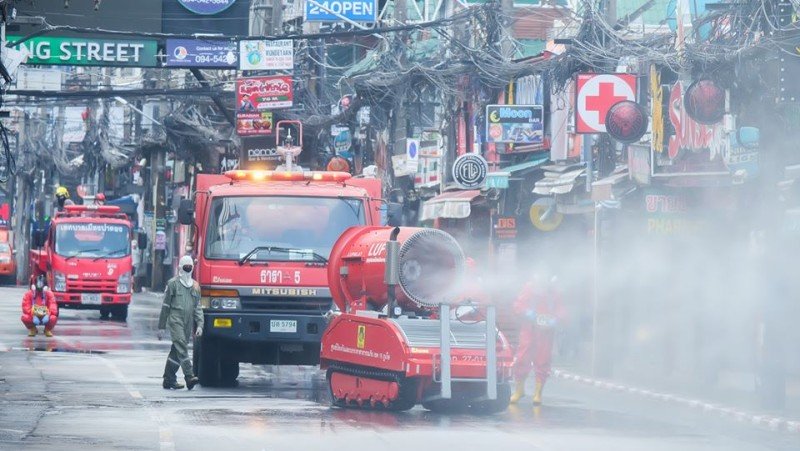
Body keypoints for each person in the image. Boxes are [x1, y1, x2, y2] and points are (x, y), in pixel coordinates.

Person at [510, 269, 565, 405]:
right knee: (522, 357)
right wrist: (527, 312)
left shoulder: (554, 292)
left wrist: (555, 319)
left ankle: (538, 393)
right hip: (529, 328)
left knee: (543, 360)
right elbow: (518, 304)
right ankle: (519, 390)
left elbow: (561, 310)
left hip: (546, 331)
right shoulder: (529, 288)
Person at [158, 255, 203, 390]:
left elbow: (198, 307)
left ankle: (168, 379)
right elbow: (165, 306)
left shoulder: (195, 286)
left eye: (190, 267)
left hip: (188, 323)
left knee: (176, 350)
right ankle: (189, 376)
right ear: (180, 268)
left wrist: (200, 324)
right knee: (182, 347)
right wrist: (161, 327)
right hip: (175, 320)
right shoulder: (172, 284)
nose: (188, 269)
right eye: (186, 267)